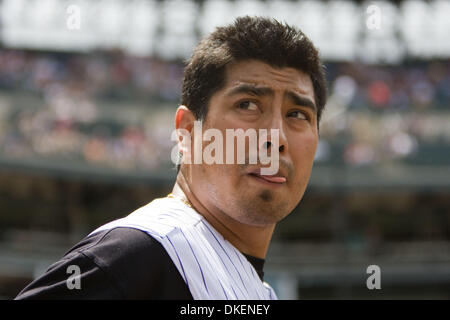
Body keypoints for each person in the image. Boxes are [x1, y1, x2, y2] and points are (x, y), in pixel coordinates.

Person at [15, 16, 327, 300]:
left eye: (297, 114)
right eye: (248, 105)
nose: (276, 137)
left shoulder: (259, 292)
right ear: (188, 132)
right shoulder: (139, 254)